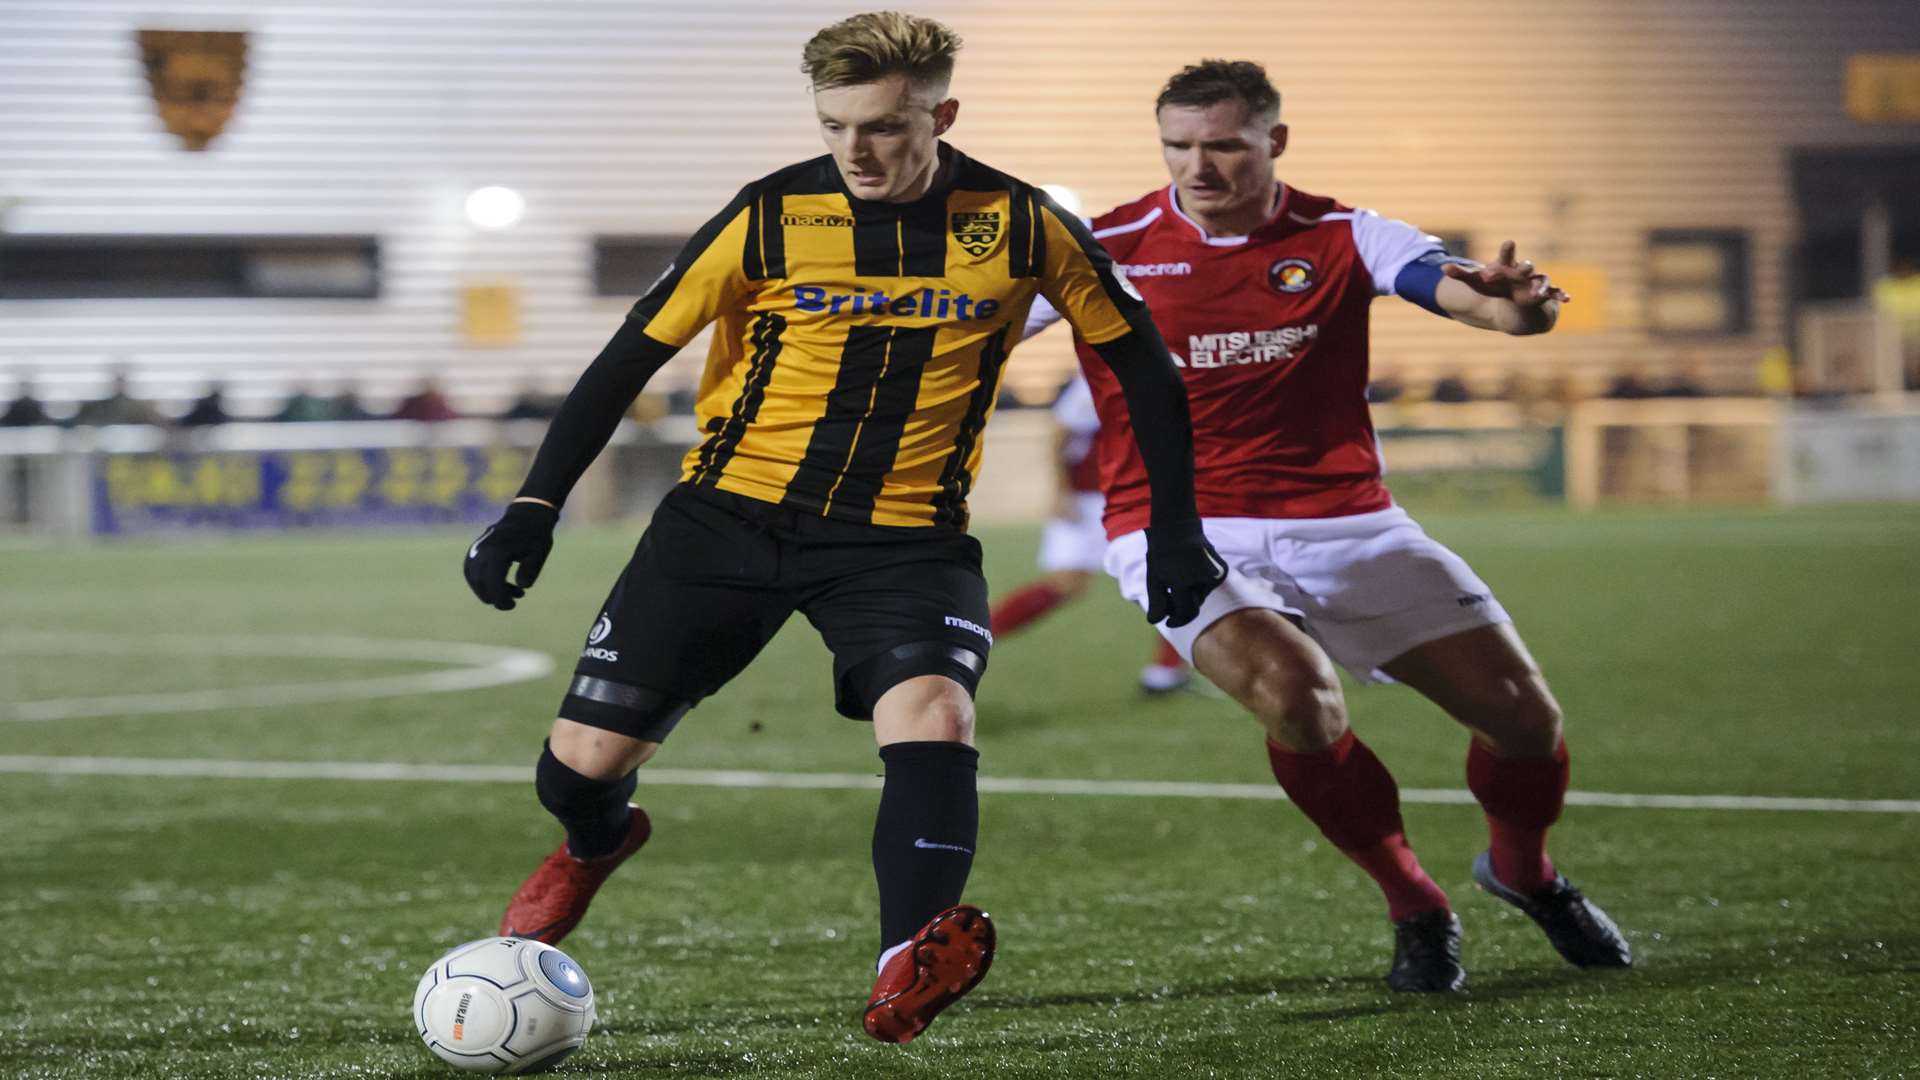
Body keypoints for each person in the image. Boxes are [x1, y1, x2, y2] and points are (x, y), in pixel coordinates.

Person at [460, 12, 1223, 1045]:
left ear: (941, 114)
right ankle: (594, 844)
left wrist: (1176, 525)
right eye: (836, 126)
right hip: (725, 521)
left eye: (885, 126)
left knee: (936, 716)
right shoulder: (771, 214)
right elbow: (628, 357)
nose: (858, 150)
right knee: (580, 767)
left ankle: (903, 964)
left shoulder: (1023, 224)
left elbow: (1141, 363)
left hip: (904, 538)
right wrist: (534, 505)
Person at [1025, 59, 1629, 993]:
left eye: (1224, 144)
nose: (1200, 166)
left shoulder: (1348, 233)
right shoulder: (1103, 245)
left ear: (1275, 140)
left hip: (1348, 520)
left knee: (1524, 720)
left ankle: (1522, 871)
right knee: (1301, 700)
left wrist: (1517, 309)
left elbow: (1470, 297)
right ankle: (1414, 900)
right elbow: (958, 329)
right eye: (1179, 146)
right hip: (1175, 526)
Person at [988, 373, 1190, 694]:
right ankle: (973, 637)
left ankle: (1164, 675)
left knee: (1175, 581)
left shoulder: (1173, 361)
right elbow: (1062, 431)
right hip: (1093, 497)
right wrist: (1060, 489)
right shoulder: (1104, 371)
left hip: (1138, 496)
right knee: (1067, 584)